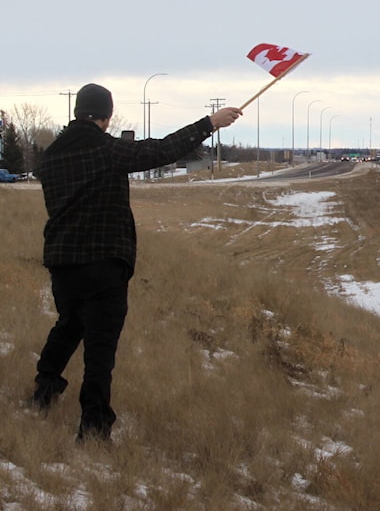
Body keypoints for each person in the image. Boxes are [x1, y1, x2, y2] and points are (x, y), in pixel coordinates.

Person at [30, 83, 242, 442]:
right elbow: (158, 151)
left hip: (62, 262)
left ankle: (43, 391)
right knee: (100, 349)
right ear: (106, 116)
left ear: (78, 112)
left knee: (68, 325)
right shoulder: (105, 150)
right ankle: (94, 428)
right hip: (104, 262)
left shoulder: (50, 158)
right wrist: (210, 123)